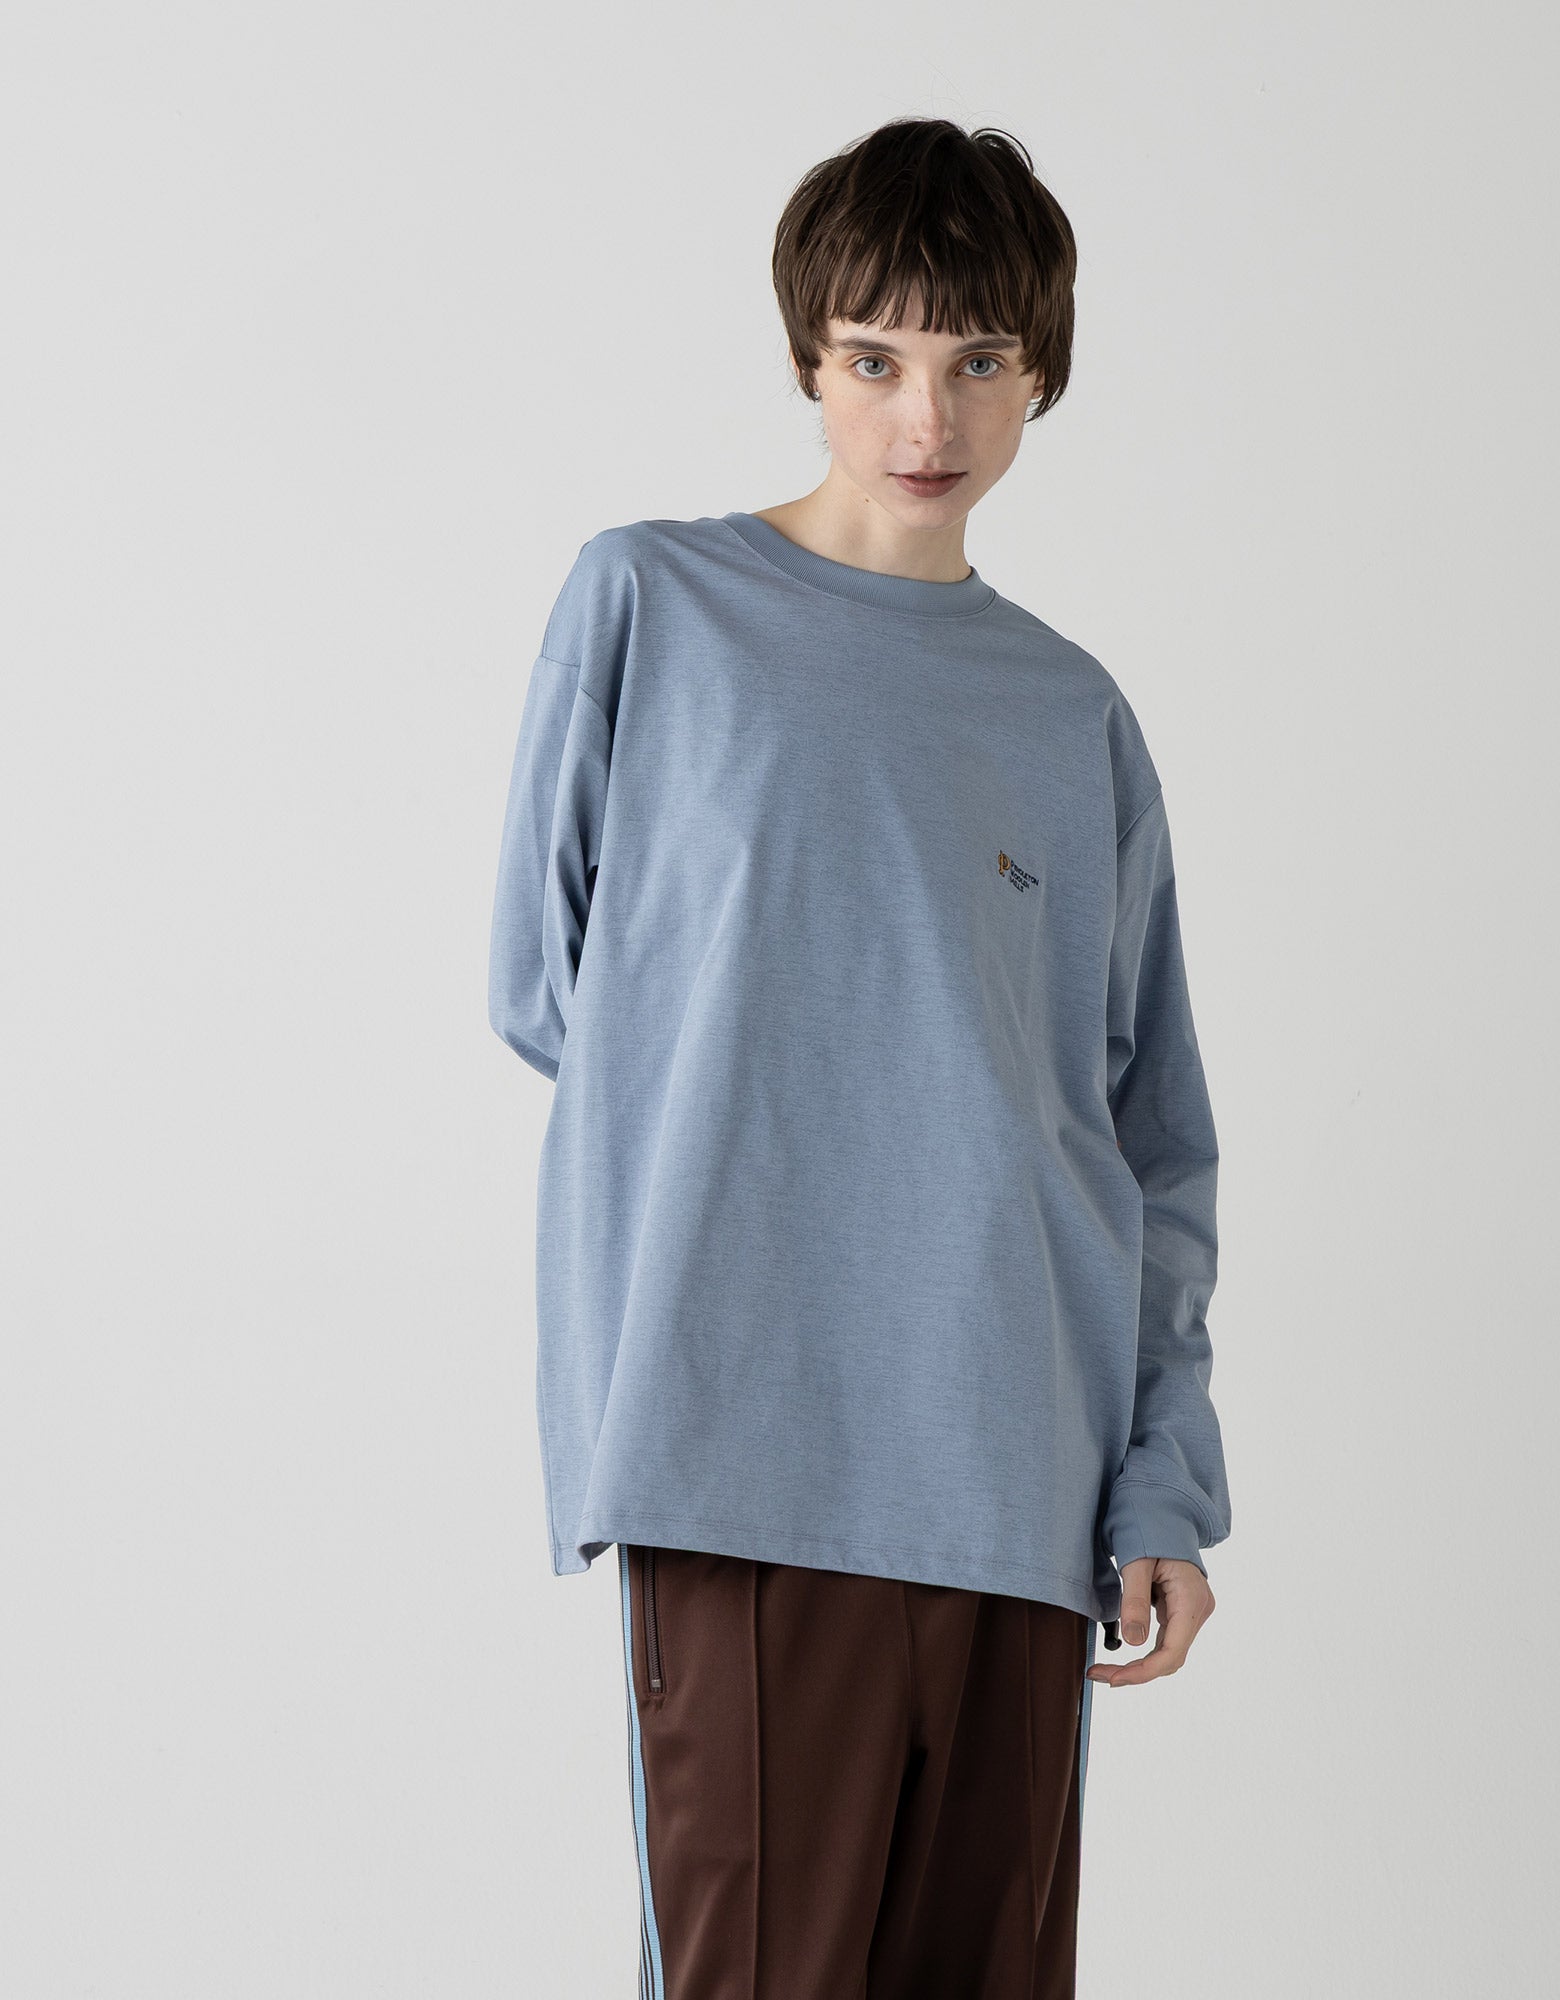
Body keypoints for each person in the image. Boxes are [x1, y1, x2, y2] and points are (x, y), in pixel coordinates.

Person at [488, 114, 1231, 1999]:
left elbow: (1144, 1134)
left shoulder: (1072, 713)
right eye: (875, 357)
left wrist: (1161, 1480)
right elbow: (551, 991)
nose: (927, 416)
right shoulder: (653, 604)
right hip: (742, 1456)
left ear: (1040, 372)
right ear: (808, 359)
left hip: (1021, 1479)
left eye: (979, 359)